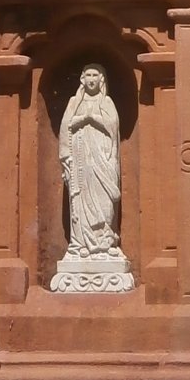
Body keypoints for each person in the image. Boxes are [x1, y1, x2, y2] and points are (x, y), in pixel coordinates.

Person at [58, 64, 124, 257]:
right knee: (80, 199)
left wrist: (92, 117)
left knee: (105, 199)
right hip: (80, 159)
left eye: (96, 74)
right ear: (82, 78)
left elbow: (113, 125)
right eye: (88, 74)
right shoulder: (74, 102)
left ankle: (105, 240)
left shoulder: (107, 102)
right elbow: (65, 127)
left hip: (103, 158)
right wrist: (66, 156)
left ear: (101, 79)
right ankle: (81, 244)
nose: (92, 78)